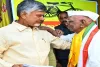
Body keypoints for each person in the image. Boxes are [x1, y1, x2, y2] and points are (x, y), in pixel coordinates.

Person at [0, 0, 71, 67]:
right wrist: (10, 66)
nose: (43, 19)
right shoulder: (4, 32)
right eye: (39, 15)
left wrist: (81, 37)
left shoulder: (44, 31)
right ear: (23, 15)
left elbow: (64, 45)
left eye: (43, 16)